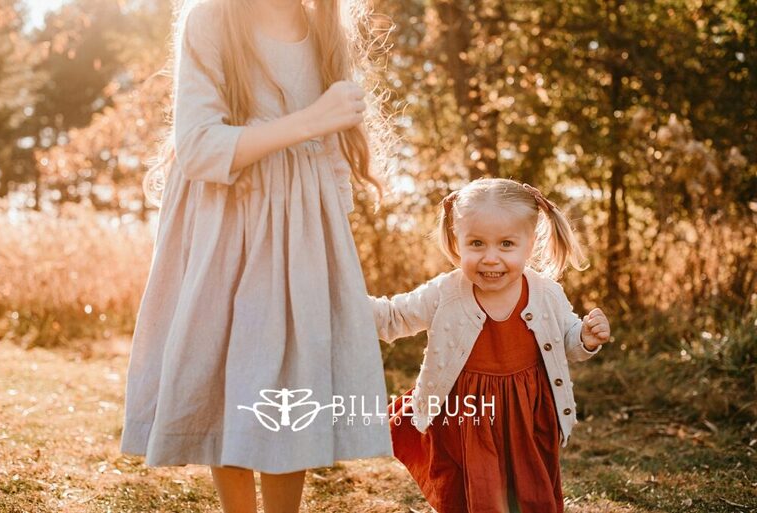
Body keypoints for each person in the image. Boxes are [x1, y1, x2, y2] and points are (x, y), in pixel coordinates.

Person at [119, 1, 393, 511]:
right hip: (225, 225)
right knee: (231, 377)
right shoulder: (213, 19)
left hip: (299, 234)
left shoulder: (323, 26)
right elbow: (198, 146)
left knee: (289, 381)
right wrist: (309, 120)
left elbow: (334, 156)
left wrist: (329, 248)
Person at [369, 178, 612, 513]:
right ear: (457, 242)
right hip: (467, 419)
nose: (491, 258)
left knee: (530, 494)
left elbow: (566, 341)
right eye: (477, 243)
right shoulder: (446, 292)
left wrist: (584, 337)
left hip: (526, 418)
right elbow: (394, 316)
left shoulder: (545, 293)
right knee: (477, 495)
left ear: (530, 245)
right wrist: (342, 301)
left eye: (507, 244)